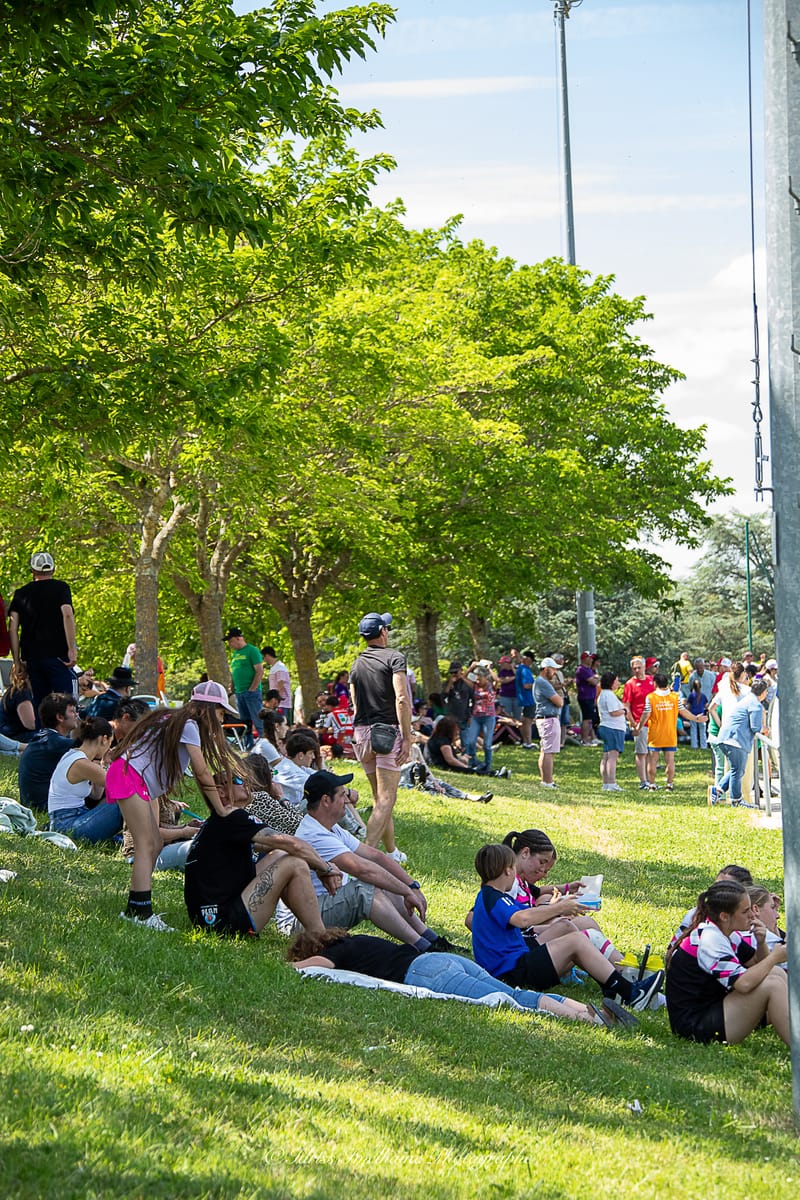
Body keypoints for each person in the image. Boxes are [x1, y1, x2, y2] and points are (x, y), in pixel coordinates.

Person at [106, 679, 242, 931]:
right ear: (208, 709)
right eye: (221, 713)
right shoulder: (189, 725)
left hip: (131, 776)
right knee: (146, 845)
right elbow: (202, 772)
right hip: (128, 776)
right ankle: (139, 912)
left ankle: (138, 909)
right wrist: (221, 810)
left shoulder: (175, 718)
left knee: (154, 842)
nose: (222, 721)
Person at [274, 770, 459, 953]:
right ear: (325, 801)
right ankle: (422, 948)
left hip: (318, 909)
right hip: (300, 924)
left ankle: (431, 939)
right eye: (342, 795)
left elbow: (375, 856)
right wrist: (406, 891)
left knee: (384, 881)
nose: (347, 800)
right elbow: (363, 870)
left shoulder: (330, 828)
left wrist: (412, 886)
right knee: (366, 888)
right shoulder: (313, 834)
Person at [470, 843, 664, 1010]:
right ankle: (631, 993)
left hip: (515, 963)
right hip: (511, 973)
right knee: (577, 941)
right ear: (508, 870)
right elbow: (523, 919)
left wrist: (559, 913)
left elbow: (522, 928)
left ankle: (614, 986)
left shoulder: (490, 896)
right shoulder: (493, 898)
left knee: (568, 929)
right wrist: (560, 907)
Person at [287, 928, 611, 1026]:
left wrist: (289, 967)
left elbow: (313, 966)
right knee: (513, 992)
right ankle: (587, 1010)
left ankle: (588, 1020)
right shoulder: (357, 941)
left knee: (514, 1001)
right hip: (442, 959)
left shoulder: (338, 952)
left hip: (425, 974)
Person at [184, 773, 343, 937]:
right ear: (221, 792)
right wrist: (325, 867)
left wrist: (318, 866)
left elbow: (282, 848)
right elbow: (292, 843)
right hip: (224, 924)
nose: (246, 782)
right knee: (295, 863)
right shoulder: (231, 815)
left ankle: (312, 931)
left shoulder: (218, 822)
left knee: (281, 854)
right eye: (238, 780)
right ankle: (320, 936)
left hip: (210, 918)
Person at [665, 880, 788, 1046]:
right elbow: (743, 984)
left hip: (715, 1009)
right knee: (772, 983)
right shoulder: (710, 939)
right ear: (724, 916)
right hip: (694, 1027)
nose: (752, 915)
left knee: (775, 973)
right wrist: (775, 957)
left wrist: (761, 942)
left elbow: (757, 963)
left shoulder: (726, 932)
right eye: (745, 911)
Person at [349, 611, 411, 861]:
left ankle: (392, 852)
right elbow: (402, 698)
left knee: (380, 799)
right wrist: (407, 737)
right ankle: (364, 857)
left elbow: (355, 702)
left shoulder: (356, 663)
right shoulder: (395, 658)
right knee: (387, 798)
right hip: (387, 733)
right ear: (383, 632)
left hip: (362, 733)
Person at [7, 551, 78, 718]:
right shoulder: (61, 588)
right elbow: (67, 613)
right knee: (66, 705)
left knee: (41, 707)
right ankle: (63, 741)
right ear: (53, 570)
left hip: (33, 658)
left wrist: (16, 661)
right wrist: (71, 648)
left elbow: (13, 627)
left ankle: (44, 739)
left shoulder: (21, 593)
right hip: (58, 656)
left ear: (33, 571)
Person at [47, 715, 123, 843]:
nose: (109, 748)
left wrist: (104, 763)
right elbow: (121, 786)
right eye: (110, 743)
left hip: (73, 818)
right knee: (125, 800)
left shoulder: (75, 756)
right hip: (67, 824)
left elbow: (95, 795)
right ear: (104, 739)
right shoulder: (81, 763)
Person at [638, 673, 706, 791]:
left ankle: (652, 784)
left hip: (655, 734)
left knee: (653, 760)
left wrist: (638, 727)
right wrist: (696, 718)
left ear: (655, 683)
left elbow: (646, 714)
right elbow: (683, 711)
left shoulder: (651, 697)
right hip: (670, 734)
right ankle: (669, 784)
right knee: (670, 761)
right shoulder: (675, 697)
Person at [710, 678, 769, 807]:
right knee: (737, 771)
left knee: (736, 770)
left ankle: (718, 790)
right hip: (734, 741)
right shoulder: (756, 705)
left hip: (725, 738)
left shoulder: (747, 700)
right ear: (764, 692)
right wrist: (765, 729)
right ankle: (736, 800)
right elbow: (755, 728)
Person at [18, 691, 80, 810]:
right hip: (43, 806)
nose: (76, 715)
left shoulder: (46, 739)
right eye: (72, 711)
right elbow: (91, 749)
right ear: (60, 717)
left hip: (35, 803)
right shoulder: (57, 743)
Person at [225, 627, 264, 749]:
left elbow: (259, 671)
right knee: (244, 722)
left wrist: (252, 688)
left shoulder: (252, 651)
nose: (230, 644)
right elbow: (235, 671)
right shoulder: (235, 654)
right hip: (239, 692)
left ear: (238, 638)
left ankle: (265, 743)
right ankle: (249, 745)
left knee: (258, 720)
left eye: (231, 641)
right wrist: (232, 686)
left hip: (251, 692)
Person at [622, 656, 656, 790]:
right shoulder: (630, 684)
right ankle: (643, 781)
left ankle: (650, 779)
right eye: (634, 668)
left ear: (644, 667)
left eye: (639, 667)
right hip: (639, 722)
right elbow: (626, 705)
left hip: (653, 722)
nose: (637, 670)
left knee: (652, 752)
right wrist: (633, 723)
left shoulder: (651, 680)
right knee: (641, 752)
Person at [533, 657, 563, 788]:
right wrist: (560, 698)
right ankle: (548, 781)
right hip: (548, 718)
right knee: (548, 752)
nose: (555, 672)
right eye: (553, 669)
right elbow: (559, 702)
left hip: (545, 719)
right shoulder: (543, 683)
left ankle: (545, 780)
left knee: (545, 750)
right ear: (546, 669)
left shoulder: (539, 682)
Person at [462, 668, 498, 774]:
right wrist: (472, 667)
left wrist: (489, 669)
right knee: (471, 741)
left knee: (487, 744)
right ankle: (472, 762)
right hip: (476, 716)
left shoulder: (492, 686)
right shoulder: (474, 686)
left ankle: (487, 765)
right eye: (476, 679)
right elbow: (463, 677)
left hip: (489, 717)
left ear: (485, 678)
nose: (478, 681)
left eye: (480, 679)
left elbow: (497, 679)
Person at [596, 672, 625, 791]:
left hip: (605, 726)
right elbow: (614, 712)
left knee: (606, 756)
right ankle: (612, 783)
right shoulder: (609, 695)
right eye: (616, 680)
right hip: (613, 728)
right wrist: (624, 711)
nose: (618, 683)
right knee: (613, 756)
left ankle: (606, 783)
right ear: (611, 682)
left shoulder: (603, 694)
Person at [0, 662, 36, 745]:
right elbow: (30, 724)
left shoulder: (16, 690)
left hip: (13, 734)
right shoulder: (22, 694)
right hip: (14, 736)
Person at [574, 652, 600, 746]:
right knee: (587, 719)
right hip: (585, 697)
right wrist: (595, 679)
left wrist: (595, 679)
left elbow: (595, 680)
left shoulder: (588, 669)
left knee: (590, 719)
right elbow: (594, 682)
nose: (591, 660)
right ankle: (584, 739)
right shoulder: (582, 669)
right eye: (589, 658)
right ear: (584, 659)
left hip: (590, 697)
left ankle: (589, 738)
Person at [261, 646, 292, 717]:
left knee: (280, 724)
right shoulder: (274, 667)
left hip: (281, 704)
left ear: (267, 655)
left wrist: (277, 701)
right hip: (276, 702)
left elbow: (281, 685)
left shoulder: (280, 667)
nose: (264, 660)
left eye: (263, 657)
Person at [515, 649, 536, 749]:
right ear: (527, 659)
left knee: (524, 721)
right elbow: (526, 685)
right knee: (528, 721)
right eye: (531, 660)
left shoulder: (521, 668)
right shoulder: (524, 670)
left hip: (523, 698)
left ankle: (525, 741)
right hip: (528, 699)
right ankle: (528, 742)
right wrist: (538, 685)